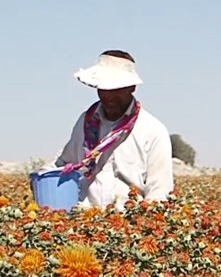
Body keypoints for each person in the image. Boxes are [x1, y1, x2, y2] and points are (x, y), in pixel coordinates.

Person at [53, 50, 174, 210]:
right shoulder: (86, 122)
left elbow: (159, 190)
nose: (109, 96)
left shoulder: (152, 130)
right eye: (104, 89)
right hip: (85, 219)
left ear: (132, 88)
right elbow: (65, 164)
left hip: (128, 223)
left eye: (117, 89)